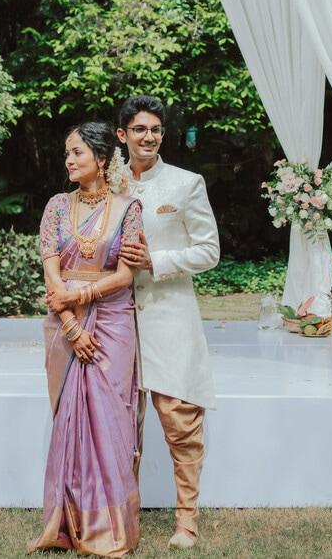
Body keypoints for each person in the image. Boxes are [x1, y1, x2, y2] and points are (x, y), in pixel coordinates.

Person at [29, 122, 145, 558]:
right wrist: (72, 324)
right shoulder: (57, 206)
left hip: (112, 323)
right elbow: (51, 269)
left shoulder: (127, 208)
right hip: (63, 323)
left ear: (101, 158)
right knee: (70, 420)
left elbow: (126, 274)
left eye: (77, 153)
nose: (69, 160)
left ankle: (108, 529)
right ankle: (69, 524)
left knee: (109, 419)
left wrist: (83, 296)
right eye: (66, 154)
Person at [114, 95, 219, 551]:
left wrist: (156, 260)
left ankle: (187, 521)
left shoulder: (186, 184)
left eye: (155, 130)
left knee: (180, 421)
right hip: (116, 319)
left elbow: (209, 251)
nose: (149, 137)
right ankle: (120, 517)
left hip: (169, 317)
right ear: (123, 135)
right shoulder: (109, 185)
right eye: (140, 129)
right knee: (119, 423)